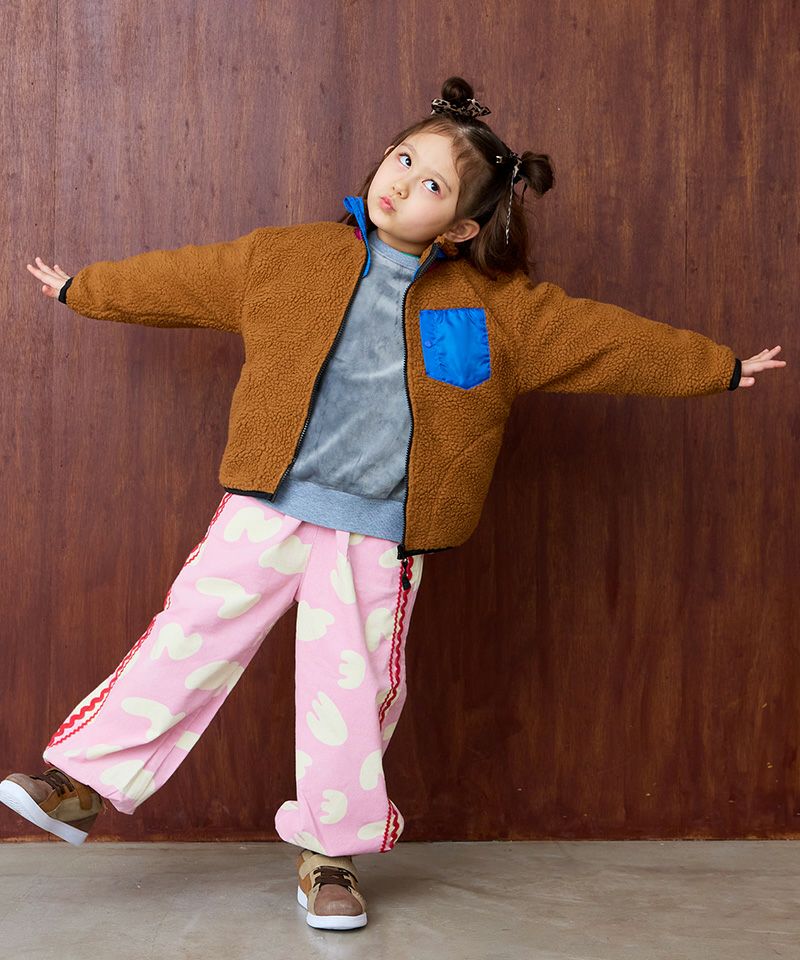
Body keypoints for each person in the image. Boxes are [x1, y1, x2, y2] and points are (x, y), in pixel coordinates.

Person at [2, 75, 786, 932]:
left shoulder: (499, 311)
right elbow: (186, 279)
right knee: (185, 638)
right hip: (267, 505)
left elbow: (608, 341)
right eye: (403, 160)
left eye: (432, 184)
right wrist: (85, 288)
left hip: (379, 534)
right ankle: (81, 784)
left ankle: (329, 857)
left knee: (350, 698)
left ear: (460, 227)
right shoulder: (288, 257)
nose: (402, 183)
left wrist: (718, 368)